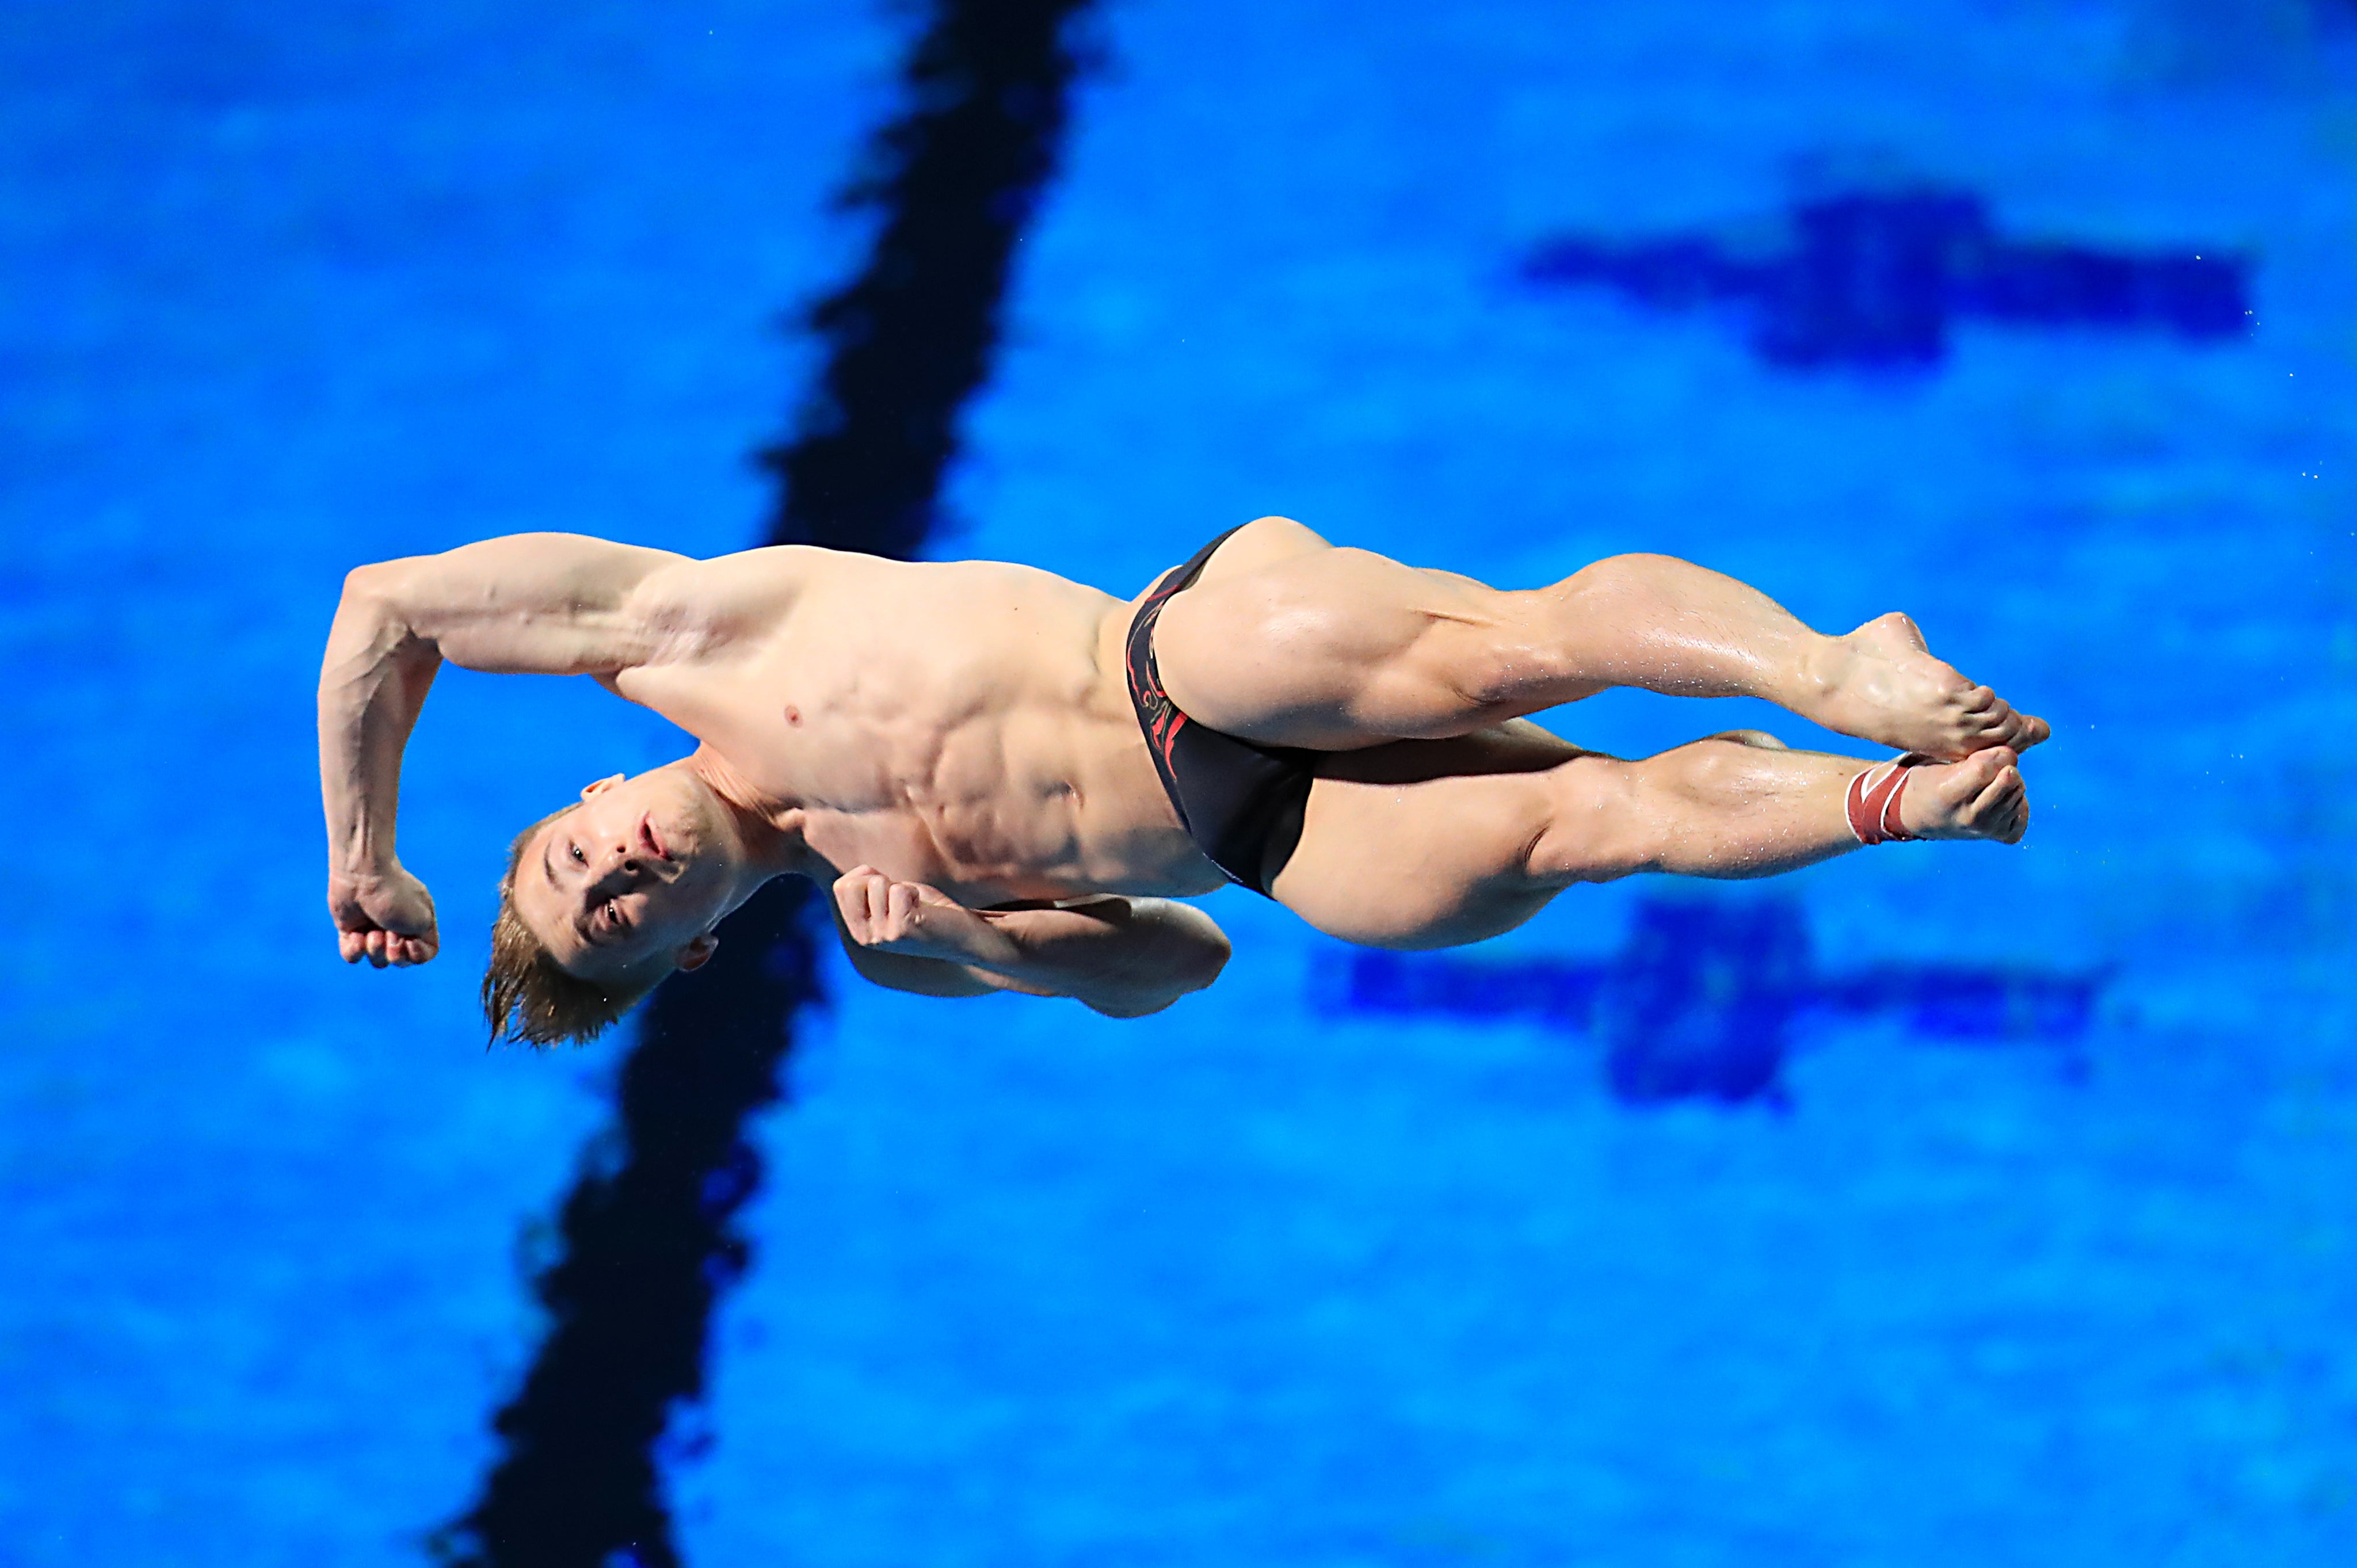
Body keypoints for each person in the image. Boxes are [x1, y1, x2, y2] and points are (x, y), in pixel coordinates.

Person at [317, 518, 2045, 1043]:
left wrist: (367, 854)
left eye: (568, 855)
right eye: (613, 916)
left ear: (586, 785)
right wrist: (988, 948)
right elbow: (1178, 962)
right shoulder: (891, 934)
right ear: (681, 949)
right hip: (1256, 832)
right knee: (1586, 828)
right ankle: (1899, 802)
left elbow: (387, 606)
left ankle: (1836, 666)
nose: (614, 872)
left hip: (1171, 664)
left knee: (1513, 646)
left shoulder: (682, 636)